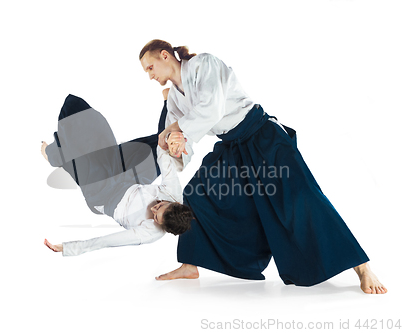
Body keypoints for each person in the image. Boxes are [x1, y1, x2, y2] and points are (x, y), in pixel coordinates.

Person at [139, 39, 387, 294]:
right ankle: (190, 264)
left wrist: (176, 130)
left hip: (262, 137)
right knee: (196, 193)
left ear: (165, 55)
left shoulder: (204, 64)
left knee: (303, 199)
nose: (150, 75)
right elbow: (180, 143)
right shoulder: (174, 103)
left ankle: (362, 267)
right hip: (232, 147)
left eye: (150, 67)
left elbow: (211, 110)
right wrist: (177, 146)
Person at [42, 93, 192, 256]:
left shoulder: (149, 233)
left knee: (85, 157)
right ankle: (169, 100)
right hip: (129, 181)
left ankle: (54, 155)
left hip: (103, 195)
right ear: (174, 203)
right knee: (160, 149)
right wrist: (169, 140)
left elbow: (106, 241)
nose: (154, 209)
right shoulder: (174, 193)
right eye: (160, 206)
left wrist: (68, 247)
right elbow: (163, 156)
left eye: (156, 217)